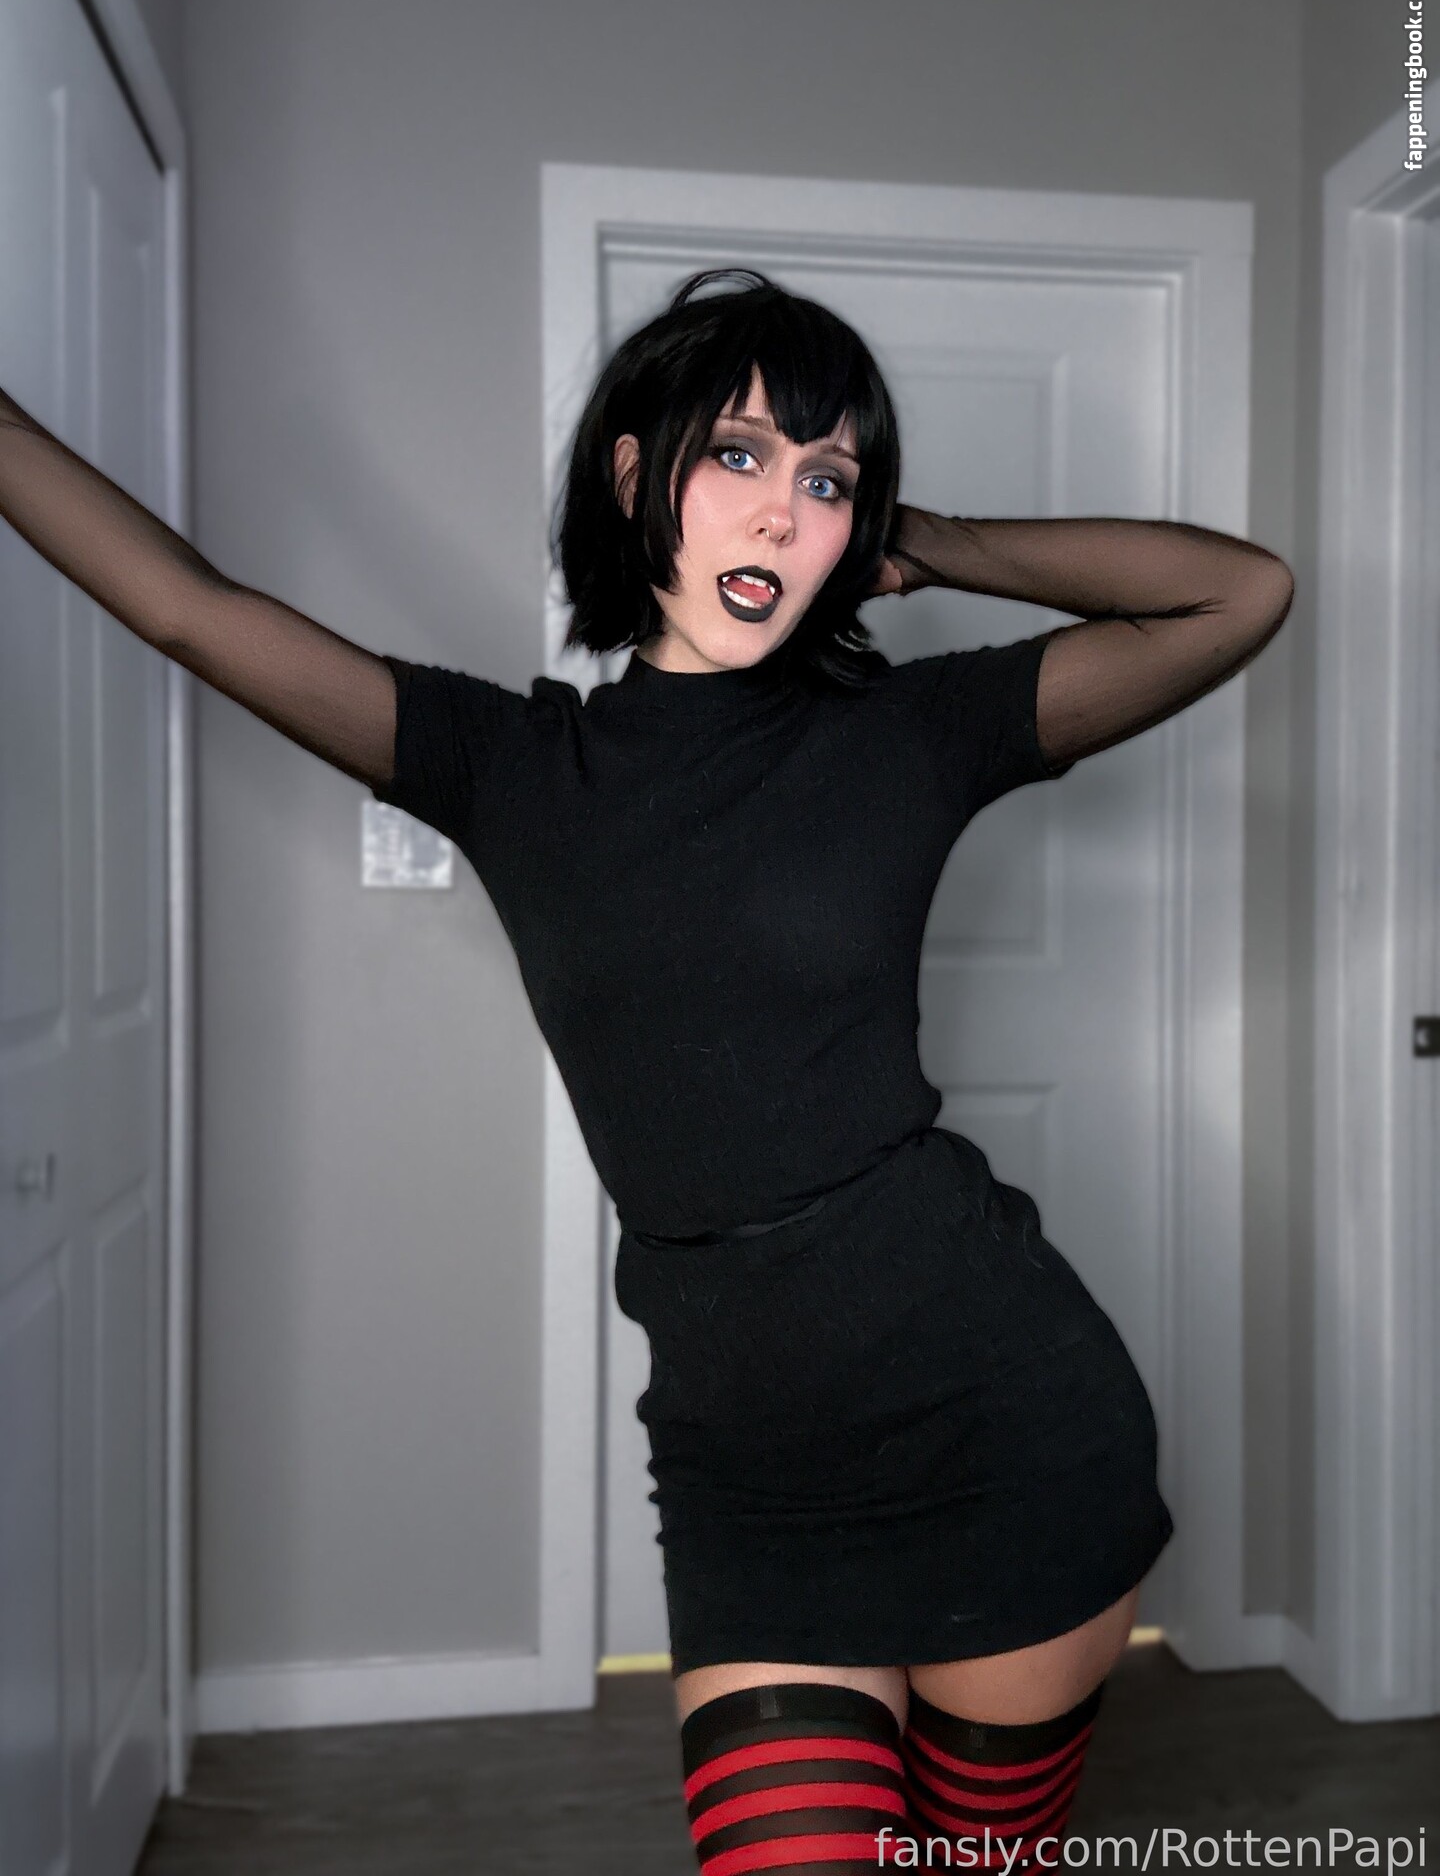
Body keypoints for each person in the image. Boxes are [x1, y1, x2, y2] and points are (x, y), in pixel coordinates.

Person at [0, 266, 1293, 1871]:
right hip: (749, 1474)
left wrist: (928, 540)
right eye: (738, 455)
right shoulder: (507, 766)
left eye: (825, 481)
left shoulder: (911, 733)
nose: (781, 513)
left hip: (1004, 1421)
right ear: (635, 476)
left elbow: (1239, 595)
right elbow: (185, 607)